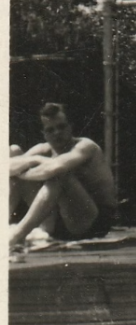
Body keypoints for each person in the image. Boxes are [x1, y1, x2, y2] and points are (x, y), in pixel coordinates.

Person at [9, 103, 117, 248]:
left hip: (92, 222)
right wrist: (35, 160)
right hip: (56, 222)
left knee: (60, 174)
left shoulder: (85, 146)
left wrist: (21, 174)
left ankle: (16, 237)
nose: (57, 133)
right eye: (50, 129)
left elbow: (54, 169)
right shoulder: (42, 150)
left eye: (61, 127)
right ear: (44, 133)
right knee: (14, 151)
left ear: (71, 126)